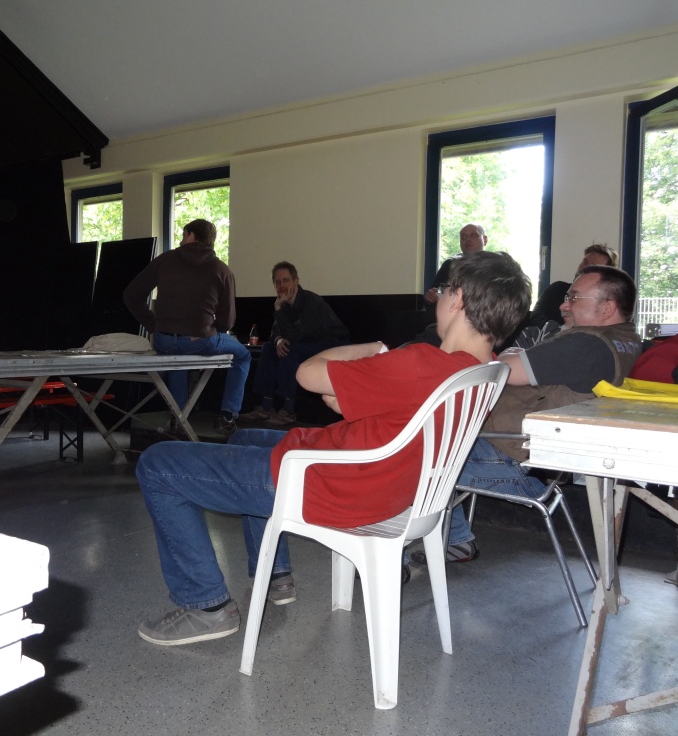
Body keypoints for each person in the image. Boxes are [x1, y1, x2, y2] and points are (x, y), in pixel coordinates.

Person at [134, 251, 531, 646]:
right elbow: (361, 406)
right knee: (244, 438)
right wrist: (364, 383)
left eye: (444, 290)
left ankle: (205, 606)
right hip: (382, 480)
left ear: (458, 299)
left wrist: (372, 349)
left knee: (157, 463)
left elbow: (307, 374)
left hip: (331, 482)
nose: (439, 297)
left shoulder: (422, 363)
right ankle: (275, 574)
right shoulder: (486, 371)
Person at [417, 264, 642, 565]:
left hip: (514, 457)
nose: (563, 305)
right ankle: (455, 540)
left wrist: (512, 356)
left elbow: (503, 369)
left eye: (574, 298)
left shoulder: (585, 345)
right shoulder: (625, 341)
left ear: (607, 308)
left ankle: (393, 559)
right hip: (544, 457)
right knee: (431, 443)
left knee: (414, 458)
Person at [123, 219, 251, 435]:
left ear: (191, 236)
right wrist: (208, 328)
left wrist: (154, 325)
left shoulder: (165, 260)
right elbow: (227, 322)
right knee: (243, 356)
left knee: (177, 357)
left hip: (163, 340)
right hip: (200, 340)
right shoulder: (222, 269)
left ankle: (178, 416)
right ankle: (228, 416)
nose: (181, 241)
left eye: (183, 236)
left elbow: (131, 295)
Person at [240, 262, 349, 426]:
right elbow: (275, 333)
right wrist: (278, 340)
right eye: (277, 282)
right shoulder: (283, 304)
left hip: (331, 344)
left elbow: (298, 335)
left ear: (296, 281)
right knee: (269, 348)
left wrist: (279, 311)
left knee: (290, 349)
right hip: (304, 343)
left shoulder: (311, 301)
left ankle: (288, 410)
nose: (281, 286)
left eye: (285, 280)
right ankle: (266, 406)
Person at [527, 243, 619, 328]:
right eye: (585, 262)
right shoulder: (557, 289)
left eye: (593, 266)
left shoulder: (603, 305)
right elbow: (536, 320)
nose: (585, 268)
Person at [423, 223, 487, 306]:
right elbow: (441, 290)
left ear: (485, 239)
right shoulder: (450, 265)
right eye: (463, 237)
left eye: (474, 235)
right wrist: (432, 295)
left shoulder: (495, 266)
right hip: (453, 311)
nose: (468, 239)